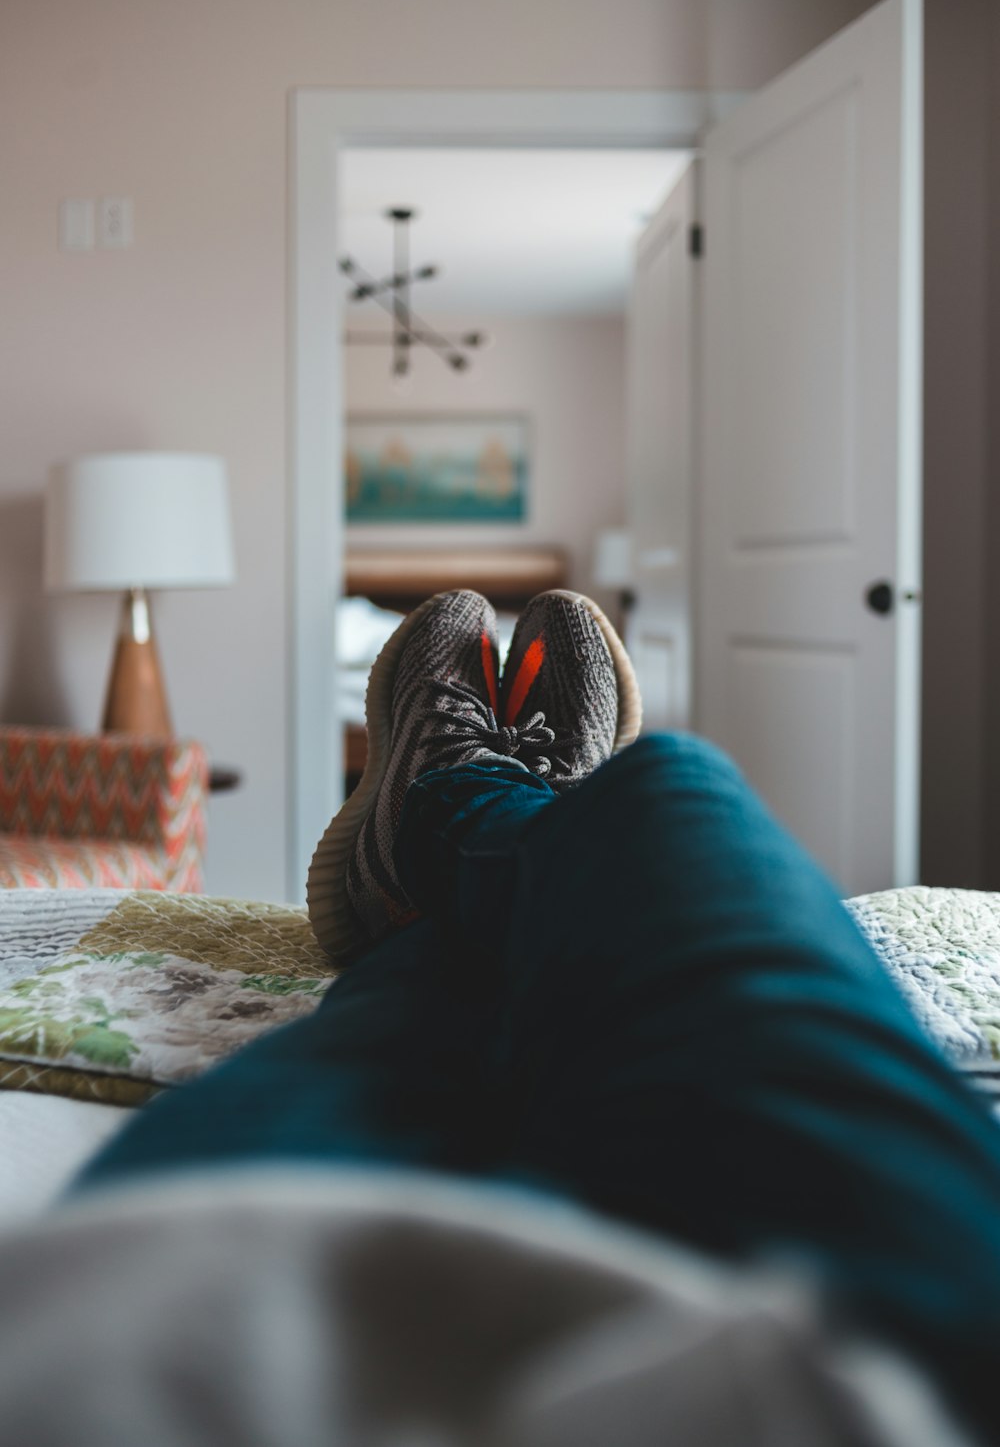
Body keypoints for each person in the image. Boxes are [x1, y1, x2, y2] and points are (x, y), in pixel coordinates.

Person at [41, 591, 1000, 1442]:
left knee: (497, 927)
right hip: (917, 1338)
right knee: (660, 785)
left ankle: (443, 817)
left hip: (184, 1341)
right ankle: (526, 817)